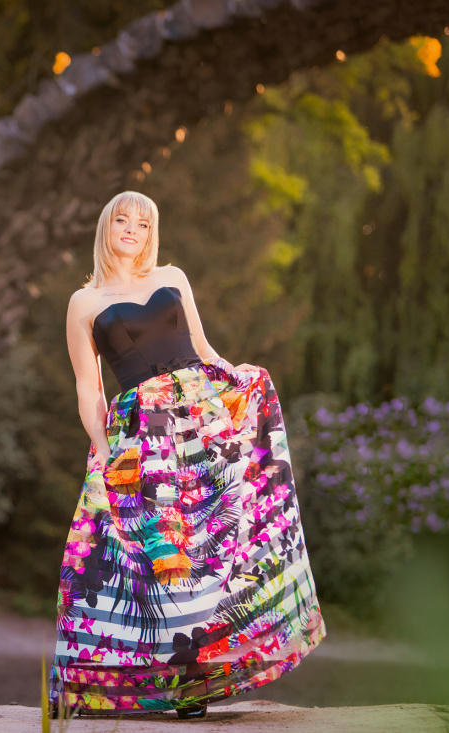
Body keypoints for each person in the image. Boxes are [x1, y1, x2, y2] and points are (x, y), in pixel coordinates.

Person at [48, 191, 327, 718]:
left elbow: (202, 348)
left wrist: (239, 378)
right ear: (106, 227)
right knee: (160, 549)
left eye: (143, 224)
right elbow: (89, 388)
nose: (132, 230)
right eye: (122, 220)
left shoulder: (173, 277)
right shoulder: (84, 302)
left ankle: (198, 683)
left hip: (202, 420)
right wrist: (104, 452)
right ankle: (144, 680)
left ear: (152, 233)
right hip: (143, 431)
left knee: (213, 541)